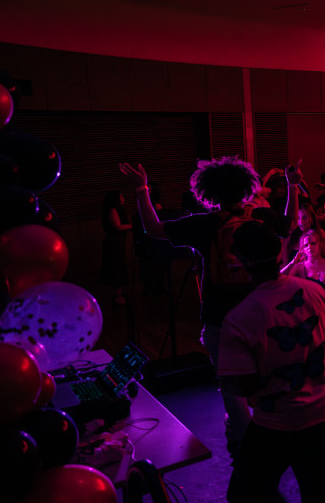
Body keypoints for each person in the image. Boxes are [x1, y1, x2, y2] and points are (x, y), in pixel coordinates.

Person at [119, 156, 301, 454]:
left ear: (209, 193)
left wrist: (142, 189)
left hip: (220, 319)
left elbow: (153, 229)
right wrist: (292, 185)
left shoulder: (204, 224)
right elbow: (290, 224)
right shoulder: (261, 218)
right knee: (264, 379)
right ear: (246, 189)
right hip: (261, 315)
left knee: (232, 390)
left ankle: (246, 446)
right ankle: (273, 437)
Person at [218, 222, 325, 503]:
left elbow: (241, 385)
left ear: (240, 259)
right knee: (320, 496)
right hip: (320, 412)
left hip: (277, 423)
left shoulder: (241, 317)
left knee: (248, 494)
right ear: (281, 252)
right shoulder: (314, 291)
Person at [99, 189, 132, 305]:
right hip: (114, 243)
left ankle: (118, 293)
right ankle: (118, 295)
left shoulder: (114, 209)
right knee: (118, 267)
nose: (123, 198)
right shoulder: (113, 210)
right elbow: (117, 226)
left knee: (117, 266)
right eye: (121, 196)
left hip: (116, 242)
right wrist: (133, 226)